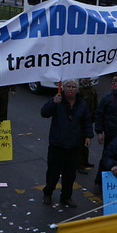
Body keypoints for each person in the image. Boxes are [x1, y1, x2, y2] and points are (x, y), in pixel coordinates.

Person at [41, 79, 93, 208]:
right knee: (53, 172)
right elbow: (44, 113)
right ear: (63, 88)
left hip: (74, 145)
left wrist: (88, 135)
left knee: (70, 174)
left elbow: (87, 120)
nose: (71, 89)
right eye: (68, 86)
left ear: (77, 89)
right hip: (57, 144)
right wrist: (53, 103)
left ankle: (66, 197)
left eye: (73, 87)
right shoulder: (57, 100)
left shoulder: (81, 103)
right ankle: (48, 193)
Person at [77, 77, 98, 174]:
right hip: (80, 121)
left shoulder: (91, 89)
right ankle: (79, 164)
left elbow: (95, 103)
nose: (86, 78)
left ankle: (85, 161)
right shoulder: (78, 90)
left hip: (88, 119)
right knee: (81, 143)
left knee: (87, 142)